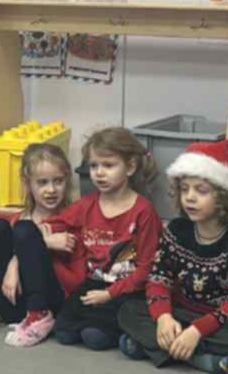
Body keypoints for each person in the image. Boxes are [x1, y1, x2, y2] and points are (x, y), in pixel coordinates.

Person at [117, 137, 228, 374]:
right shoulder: (177, 229)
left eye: (201, 190)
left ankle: (154, 348)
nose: (190, 197)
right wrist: (163, 317)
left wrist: (198, 330)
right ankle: (210, 362)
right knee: (127, 310)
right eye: (184, 189)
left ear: (224, 196)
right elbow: (158, 279)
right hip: (181, 312)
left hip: (224, 321)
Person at [52, 127, 163, 350]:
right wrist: (45, 236)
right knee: (63, 332)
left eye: (108, 165)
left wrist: (109, 294)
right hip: (94, 283)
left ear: (130, 167)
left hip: (129, 288)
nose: (99, 173)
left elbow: (146, 268)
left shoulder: (144, 211)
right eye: (94, 166)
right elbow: (54, 224)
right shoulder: (87, 204)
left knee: (95, 338)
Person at [0, 141, 77, 348]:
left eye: (58, 181)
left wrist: (20, 257)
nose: (51, 189)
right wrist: (40, 245)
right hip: (15, 302)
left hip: (49, 302)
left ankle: (38, 316)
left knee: (25, 231)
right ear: (28, 183)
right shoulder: (18, 220)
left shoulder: (72, 220)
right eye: (42, 182)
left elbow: (73, 279)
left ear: (67, 179)